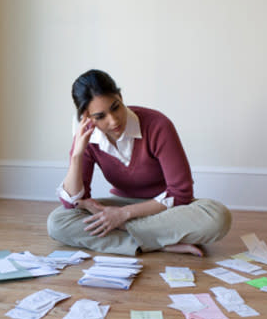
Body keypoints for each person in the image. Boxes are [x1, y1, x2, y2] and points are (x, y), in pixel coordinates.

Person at [47, 69, 231, 257]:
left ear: (120, 96)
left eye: (115, 107)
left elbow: (181, 193)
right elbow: (74, 203)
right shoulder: (87, 138)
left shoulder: (157, 124)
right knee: (58, 221)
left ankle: (130, 238)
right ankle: (158, 243)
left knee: (216, 217)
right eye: (100, 116)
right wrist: (77, 154)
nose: (113, 120)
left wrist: (123, 216)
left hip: (164, 209)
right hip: (121, 204)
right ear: (86, 117)